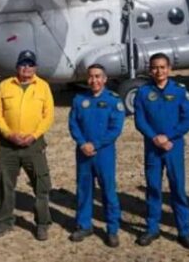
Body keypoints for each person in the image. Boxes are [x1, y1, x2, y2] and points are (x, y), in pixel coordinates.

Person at [133, 52, 189, 250]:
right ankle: (152, 228)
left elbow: (188, 119)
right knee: (153, 188)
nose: (158, 71)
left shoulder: (179, 91)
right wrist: (154, 137)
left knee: (177, 189)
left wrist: (169, 137)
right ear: (150, 70)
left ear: (169, 69)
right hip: (152, 147)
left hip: (173, 147)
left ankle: (184, 231)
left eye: (162, 67)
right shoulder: (143, 93)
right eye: (154, 67)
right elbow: (140, 120)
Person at [0, 49, 55, 241]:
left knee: (41, 184)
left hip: (33, 145)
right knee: (4, 183)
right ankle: (4, 221)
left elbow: (48, 115)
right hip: (8, 145)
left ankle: (42, 223)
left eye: (30, 64)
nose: (26, 67)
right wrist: (9, 134)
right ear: (17, 66)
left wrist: (34, 136)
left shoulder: (43, 86)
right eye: (23, 64)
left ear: (35, 67)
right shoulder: (5, 85)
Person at [68, 64, 124, 248]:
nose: (94, 80)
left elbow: (115, 128)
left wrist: (96, 145)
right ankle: (84, 225)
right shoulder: (79, 100)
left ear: (105, 79)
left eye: (98, 76)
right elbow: (73, 124)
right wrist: (82, 143)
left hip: (104, 153)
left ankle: (112, 229)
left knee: (108, 191)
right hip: (83, 152)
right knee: (84, 190)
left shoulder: (114, 100)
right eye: (91, 77)